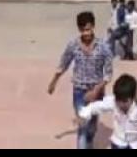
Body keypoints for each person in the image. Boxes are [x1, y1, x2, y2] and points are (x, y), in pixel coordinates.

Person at [48, 11, 114, 150]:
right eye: (83, 30)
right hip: (79, 91)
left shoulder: (103, 47)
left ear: (93, 27)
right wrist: (54, 81)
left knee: (91, 128)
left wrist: (96, 90)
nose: (87, 33)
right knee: (83, 126)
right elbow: (63, 64)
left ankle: (89, 141)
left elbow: (108, 74)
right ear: (79, 29)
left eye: (89, 29)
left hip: (97, 93)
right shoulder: (73, 45)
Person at [76, 74, 137, 150]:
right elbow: (96, 106)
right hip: (119, 142)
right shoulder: (113, 101)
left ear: (133, 97)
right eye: (118, 100)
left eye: (124, 101)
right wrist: (83, 115)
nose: (121, 104)